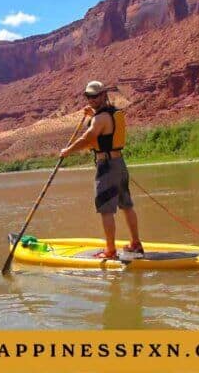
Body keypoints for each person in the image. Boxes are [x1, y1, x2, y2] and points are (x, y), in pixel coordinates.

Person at [60, 80, 144, 261]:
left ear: (103, 95)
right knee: (126, 204)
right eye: (88, 96)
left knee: (106, 210)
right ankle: (135, 244)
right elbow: (101, 128)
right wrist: (92, 115)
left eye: (95, 96)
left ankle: (110, 251)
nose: (91, 99)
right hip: (119, 163)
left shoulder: (100, 118)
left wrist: (67, 151)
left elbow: (87, 138)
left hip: (106, 166)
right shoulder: (112, 113)